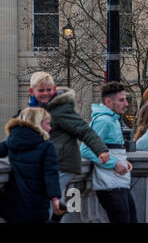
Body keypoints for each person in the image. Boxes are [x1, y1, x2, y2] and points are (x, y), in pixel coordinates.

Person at [28, 72, 109, 218]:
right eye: (41, 90)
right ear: (31, 91)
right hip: (50, 162)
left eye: (48, 90)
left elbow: (83, 129)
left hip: (63, 163)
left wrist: (101, 150)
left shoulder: (60, 109)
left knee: (48, 200)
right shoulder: (35, 109)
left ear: (54, 89)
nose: (45, 93)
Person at [80, 82, 137, 223]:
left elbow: (110, 149)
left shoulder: (113, 120)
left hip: (118, 184)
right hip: (110, 186)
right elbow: (85, 149)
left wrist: (123, 161)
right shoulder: (103, 121)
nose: (126, 104)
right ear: (108, 101)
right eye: (121, 100)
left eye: (126, 100)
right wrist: (114, 163)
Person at [0, 108, 63, 223]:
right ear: (37, 123)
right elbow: (50, 174)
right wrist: (55, 198)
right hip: (35, 204)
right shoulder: (47, 146)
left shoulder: (11, 141)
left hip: (12, 203)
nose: (50, 128)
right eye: (47, 124)